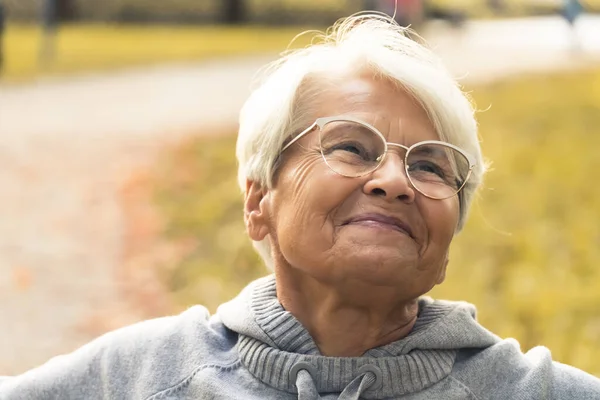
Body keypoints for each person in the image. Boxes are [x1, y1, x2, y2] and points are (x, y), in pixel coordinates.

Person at [2, 13, 600, 399]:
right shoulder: (142, 377)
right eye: (350, 147)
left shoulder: (529, 391)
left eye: (429, 166)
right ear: (259, 199)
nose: (395, 180)